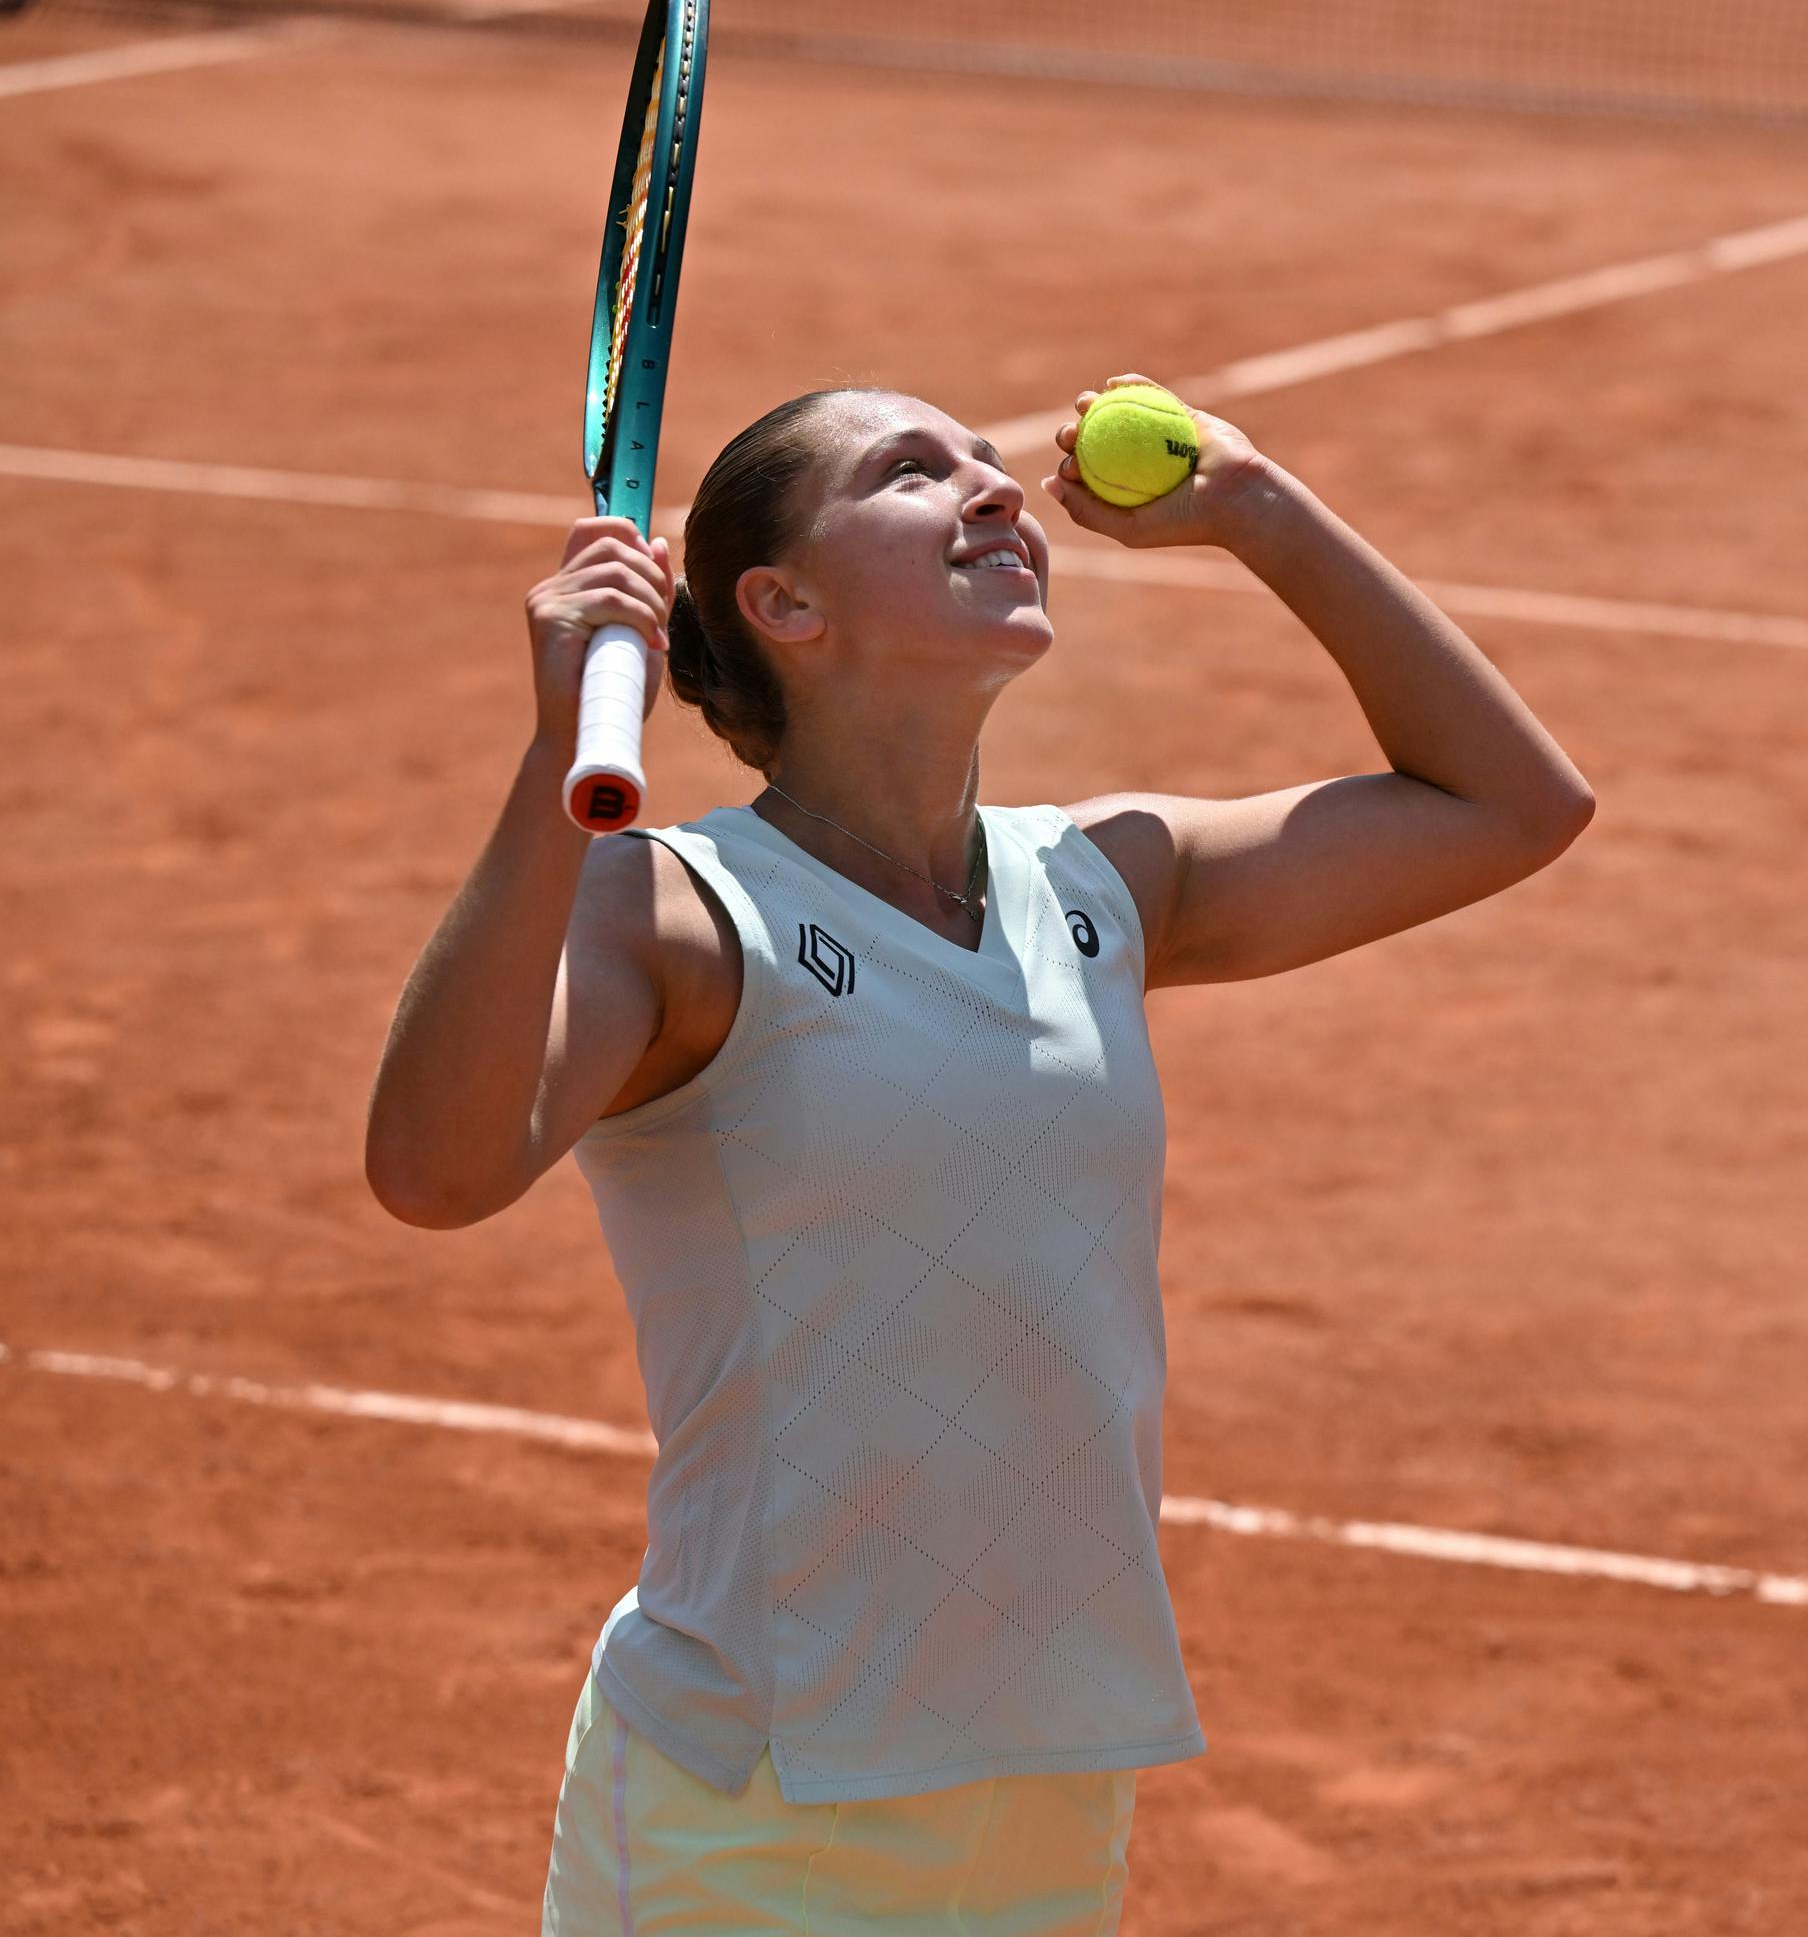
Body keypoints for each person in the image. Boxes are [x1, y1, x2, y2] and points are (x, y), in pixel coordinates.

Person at [363, 378, 1595, 1932]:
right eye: (913, 471)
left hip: (1052, 1782)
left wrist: (1257, 503)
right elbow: (434, 1169)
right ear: (782, 603)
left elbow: (1514, 805)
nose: (992, 488)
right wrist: (561, 759)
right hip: (755, 1803)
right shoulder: (673, 911)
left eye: (989, 463)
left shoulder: (1105, 884)